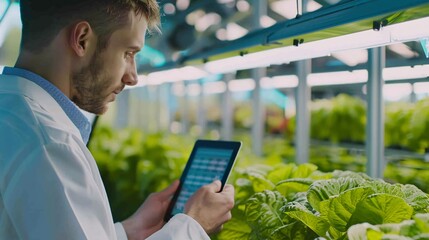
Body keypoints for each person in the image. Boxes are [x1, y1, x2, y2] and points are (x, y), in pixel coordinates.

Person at [0, 0, 235, 239]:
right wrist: (193, 226)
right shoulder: (50, 146)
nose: (132, 77)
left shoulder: (12, 113)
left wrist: (129, 230)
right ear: (82, 39)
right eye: (128, 53)